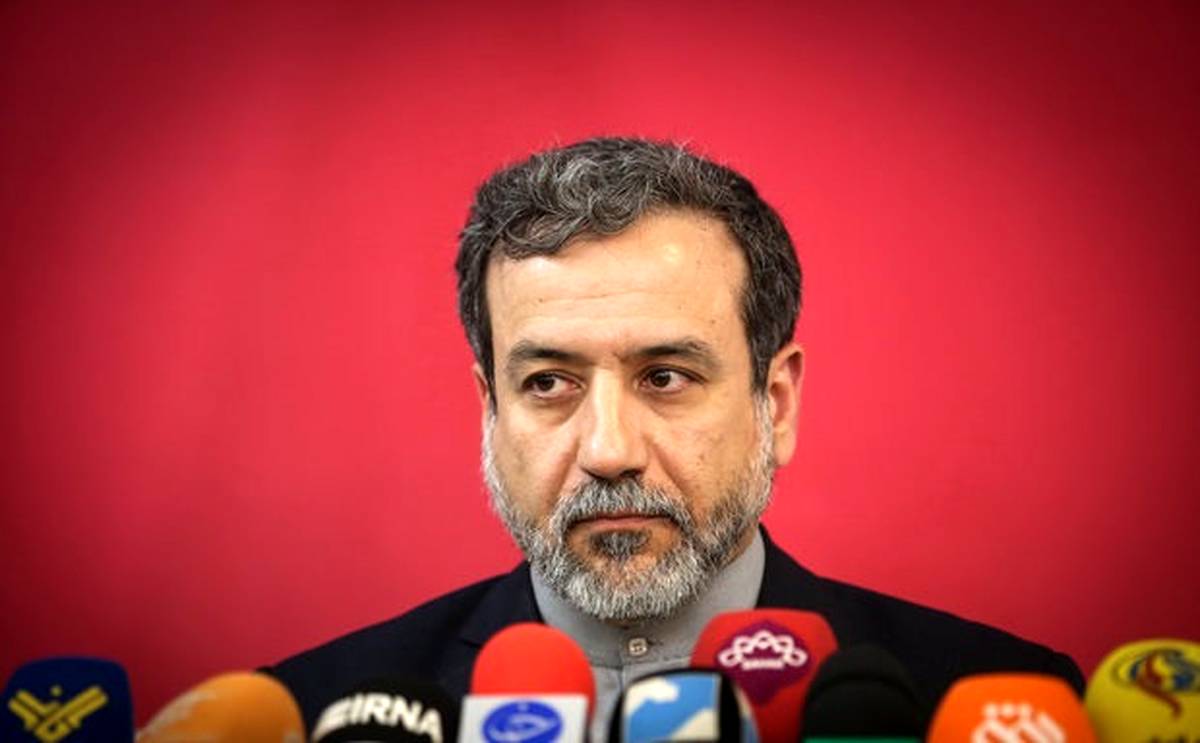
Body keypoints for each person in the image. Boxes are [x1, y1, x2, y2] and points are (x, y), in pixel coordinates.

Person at [268, 137, 1083, 735]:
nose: (608, 451)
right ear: (491, 411)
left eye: (665, 376)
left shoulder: (998, 703)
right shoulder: (305, 713)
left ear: (776, 403)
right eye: (547, 382)